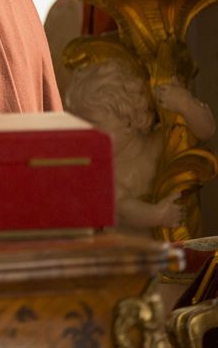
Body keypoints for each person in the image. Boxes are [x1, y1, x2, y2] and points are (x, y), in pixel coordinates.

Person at [64, 58, 215, 233]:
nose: (84, 135)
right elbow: (126, 209)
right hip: (129, 252)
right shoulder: (106, 171)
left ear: (127, 120)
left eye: (93, 124)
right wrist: (157, 214)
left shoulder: (160, 142)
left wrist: (185, 104)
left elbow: (206, 132)